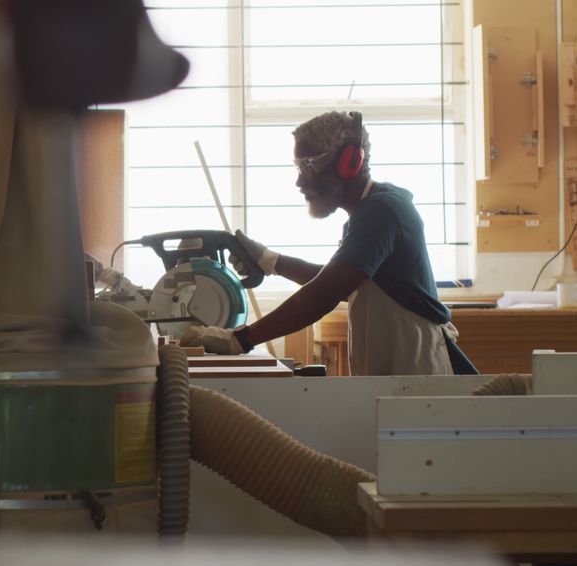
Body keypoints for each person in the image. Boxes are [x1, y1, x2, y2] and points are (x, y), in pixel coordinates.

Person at [180, 110, 476, 376]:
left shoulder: (381, 211)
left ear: (350, 162)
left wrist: (240, 340)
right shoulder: (366, 213)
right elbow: (342, 280)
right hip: (400, 368)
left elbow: (326, 292)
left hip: (416, 368)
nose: (300, 181)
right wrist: (270, 261)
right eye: (299, 166)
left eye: (309, 165)